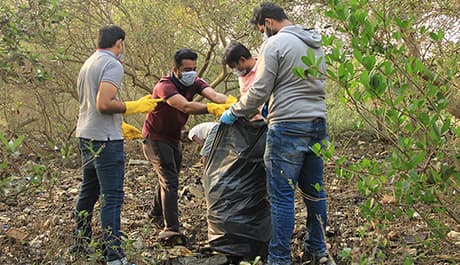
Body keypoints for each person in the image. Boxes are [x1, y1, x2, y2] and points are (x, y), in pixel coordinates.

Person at [220, 3, 333, 265]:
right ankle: (317, 250)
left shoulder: (274, 44)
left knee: (281, 197)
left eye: (262, 29)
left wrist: (236, 111)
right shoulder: (315, 42)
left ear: (268, 22)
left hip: (288, 127)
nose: (263, 34)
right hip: (317, 122)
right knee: (315, 192)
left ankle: (279, 259)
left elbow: (258, 90)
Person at [73, 25, 159, 265]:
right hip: (104, 141)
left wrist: (119, 124)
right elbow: (103, 103)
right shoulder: (112, 64)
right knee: (112, 197)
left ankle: (80, 243)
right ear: (119, 42)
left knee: (88, 192)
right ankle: (115, 257)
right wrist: (134, 107)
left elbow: (92, 104)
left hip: (87, 134)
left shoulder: (89, 63)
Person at [142, 48, 235, 239]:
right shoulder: (164, 86)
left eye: (194, 68)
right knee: (170, 181)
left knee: (169, 176)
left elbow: (216, 96)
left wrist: (236, 103)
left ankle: (154, 214)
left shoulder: (195, 82)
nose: (191, 72)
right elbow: (184, 105)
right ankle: (171, 229)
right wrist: (211, 109)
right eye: (186, 69)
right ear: (175, 70)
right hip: (155, 138)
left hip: (174, 138)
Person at [222, 41, 263, 121]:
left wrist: (234, 112)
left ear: (242, 60)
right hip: (251, 123)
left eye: (234, 67)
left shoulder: (263, 68)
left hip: (267, 121)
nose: (234, 70)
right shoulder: (242, 76)